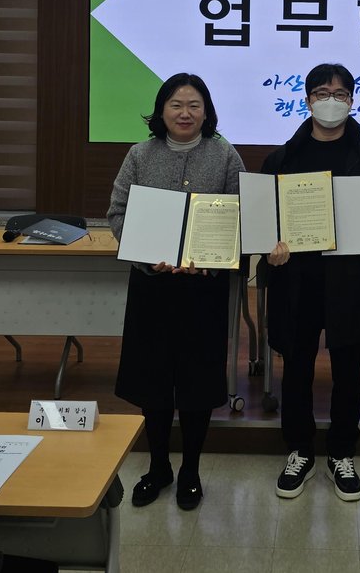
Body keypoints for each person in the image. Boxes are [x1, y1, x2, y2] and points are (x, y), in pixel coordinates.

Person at [107, 72, 244, 511]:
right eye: (176, 105)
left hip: (203, 291)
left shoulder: (225, 155)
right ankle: (158, 467)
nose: (185, 113)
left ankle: (191, 471)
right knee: (154, 383)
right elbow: (117, 214)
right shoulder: (139, 154)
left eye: (194, 105)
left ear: (206, 112)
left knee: (197, 384)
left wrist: (211, 259)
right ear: (161, 111)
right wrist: (148, 257)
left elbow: (240, 217)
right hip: (153, 288)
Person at [260, 62, 360, 502]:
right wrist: (269, 248)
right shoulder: (282, 158)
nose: (330, 101)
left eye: (339, 94)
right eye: (321, 93)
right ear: (307, 100)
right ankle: (299, 450)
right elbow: (263, 221)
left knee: (349, 373)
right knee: (296, 371)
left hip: (350, 281)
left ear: (352, 100)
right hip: (296, 281)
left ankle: (341, 452)